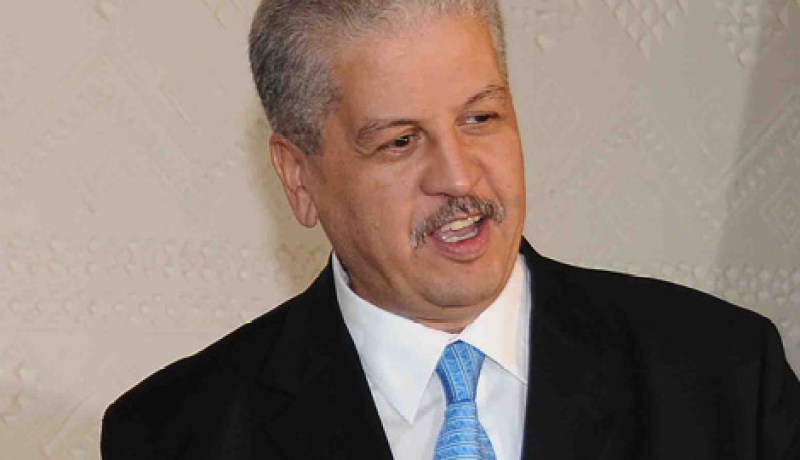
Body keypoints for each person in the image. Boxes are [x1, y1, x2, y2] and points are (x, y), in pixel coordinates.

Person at [101, 0, 800, 459]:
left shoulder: (725, 376)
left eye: (480, 118)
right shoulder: (178, 433)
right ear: (299, 177)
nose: (460, 178)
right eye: (400, 142)